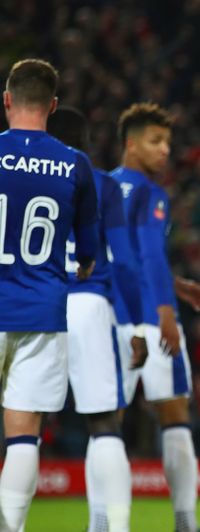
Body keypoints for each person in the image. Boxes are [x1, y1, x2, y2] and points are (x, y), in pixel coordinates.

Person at [0, 59, 99, 532]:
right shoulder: (74, 164)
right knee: (23, 437)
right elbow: (88, 254)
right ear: (53, 106)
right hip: (41, 312)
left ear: (6, 100)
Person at [109, 102, 200, 532]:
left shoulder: (100, 188)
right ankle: (185, 523)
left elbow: (122, 258)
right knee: (174, 416)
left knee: (106, 424)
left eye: (168, 142)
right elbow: (150, 256)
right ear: (131, 144)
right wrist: (167, 312)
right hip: (152, 319)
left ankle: (105, 522)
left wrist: (178, 284)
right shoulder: (151, 194)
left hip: (108, 316)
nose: (165, 150)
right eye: (155, 141)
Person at [48, 106, 147, 532]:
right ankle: (115, 527)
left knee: (22, 425)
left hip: (33, 304)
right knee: (104, 421)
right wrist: (136, 326)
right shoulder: (104, 184)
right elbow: (124, 262)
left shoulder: (23, 178)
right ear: (86, 142)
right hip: (89, 304)